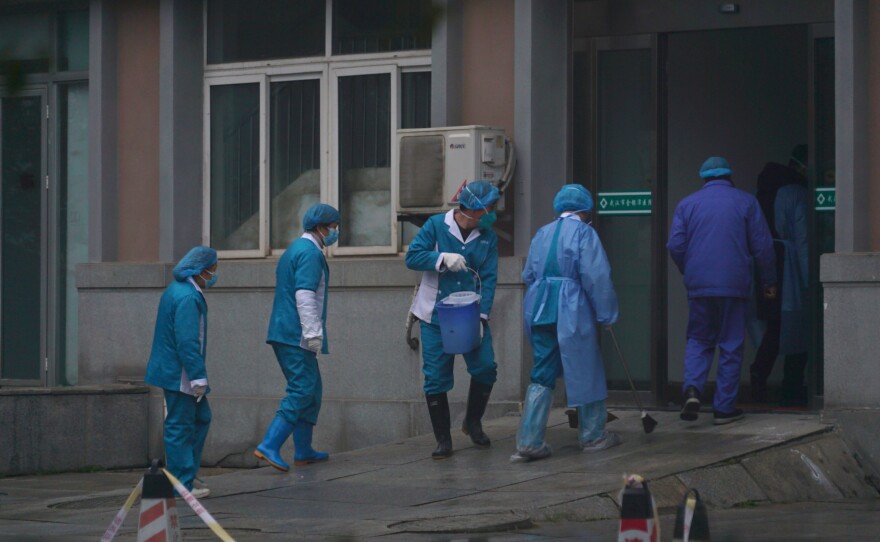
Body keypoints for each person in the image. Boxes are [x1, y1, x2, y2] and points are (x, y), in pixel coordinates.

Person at [511, 184, 620, 463]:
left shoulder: (542, 232)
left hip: (539, 306)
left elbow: (529, 274)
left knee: (543, 370)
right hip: (571, 306)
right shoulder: (584, 233)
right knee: (585, 367)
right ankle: (593, 435)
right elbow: (597, 276)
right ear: (585, 210)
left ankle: (529, 441)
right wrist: (607, 314)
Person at [667, 157, 777, 425]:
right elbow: (763, 246)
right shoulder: (746, 202)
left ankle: (692, 390)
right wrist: (769, 281)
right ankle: (724, 408)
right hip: (734, 284)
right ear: (729, 176)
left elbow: (675, 245)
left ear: (704, 178)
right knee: (730, 344)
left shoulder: (687, 204)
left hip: (699, 285)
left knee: (698, 339)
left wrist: (689, 270)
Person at [405, 181, 500, 459]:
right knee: (435, 377)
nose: (494, 212)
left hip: (470, 313)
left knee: (485, 367)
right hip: (435, 314)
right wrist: (441, 258)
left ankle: (472, 422)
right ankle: (443, 440)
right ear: (474, 209)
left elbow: (489, 278)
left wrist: (482, 316)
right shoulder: (436, 226)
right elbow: (412, 257)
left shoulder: (488, 236)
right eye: (490, 207)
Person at [255, 203, 339, 472]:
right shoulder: (310, 253)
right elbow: (304, 294)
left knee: (312, 390)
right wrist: (313, 332)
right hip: (295, 334)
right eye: (333, 227)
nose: (335, 232)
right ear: (320, 227)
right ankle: (270, 444)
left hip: (287, 331)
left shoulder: (296, 249)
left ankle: (303, 449)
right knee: (302, 389)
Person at [145, 246, 218, 499]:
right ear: (200, 270)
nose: (214, 275)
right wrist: (198, 376)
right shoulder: (188, 297)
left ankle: (187, 473)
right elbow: (187, 342)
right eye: (212, 270)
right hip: (180, 374)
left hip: (174, 369)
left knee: (200, 418)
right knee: (181, 425)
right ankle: (181, 484)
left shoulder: (179, 290)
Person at [750, 145, 809, 405]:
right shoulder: (796, 193)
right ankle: (792, 387)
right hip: (790, 266)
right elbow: (804, 239)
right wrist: (810, 280)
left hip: (764, 263)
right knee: (800, 327)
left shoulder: (762, 193)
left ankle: (759, 377)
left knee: (774, 325)